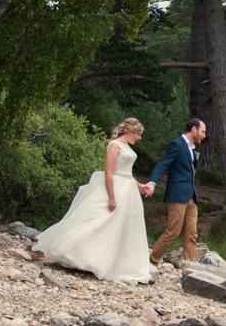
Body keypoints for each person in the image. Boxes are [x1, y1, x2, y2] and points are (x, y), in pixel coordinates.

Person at [32, 117, 155, 283]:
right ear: (130, 132)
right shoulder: (115, 145)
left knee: (121, 226)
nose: (139, 138)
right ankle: (79, 254)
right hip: (116, 188)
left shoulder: (126, 147)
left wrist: (140, 186)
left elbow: (126, 172)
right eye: (138, 134)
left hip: (128, 189)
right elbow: (109, 173)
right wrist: (112, 197)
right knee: (100, 221)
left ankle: (116, 261)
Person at [144, 117, 205, 266]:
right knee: (173, 231)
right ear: (194, 129)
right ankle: (151, 261)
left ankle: (191, 267)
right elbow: (162, 164)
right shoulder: (177, 145)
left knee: (192, 234)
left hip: (191, 196)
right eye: (202, 131)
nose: (204, 135)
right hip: (177, 195)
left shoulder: (192, 148)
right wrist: (152, 182)